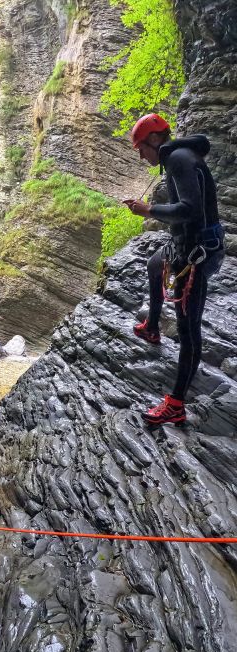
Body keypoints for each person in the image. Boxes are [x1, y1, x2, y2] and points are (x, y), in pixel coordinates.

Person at [123, 113, 225, 426]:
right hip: (185, 244)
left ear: (154, 139)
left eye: (141, 148)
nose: (141, 156)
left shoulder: (179, 159)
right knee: (155, 265)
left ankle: (176, 404)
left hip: (198, 253)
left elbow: (189, 210)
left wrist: (149, 210)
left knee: (187, 329)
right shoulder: (177, 157)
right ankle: (152, 327)